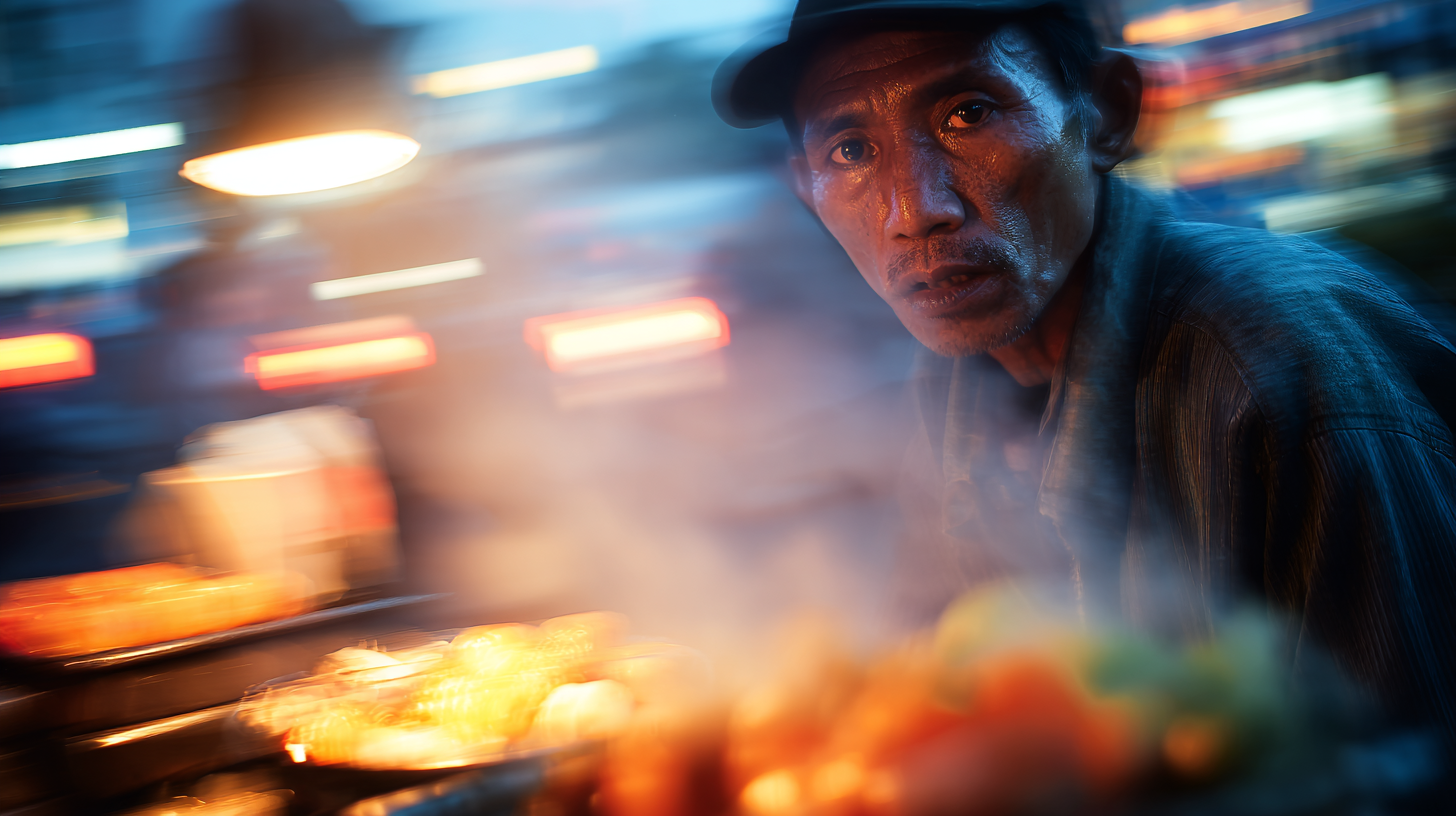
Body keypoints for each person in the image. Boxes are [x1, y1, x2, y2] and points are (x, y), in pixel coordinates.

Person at [714, 0, 1456, 734]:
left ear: (1105, 112)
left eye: (967, 114)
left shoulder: (1274, 363)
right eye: (850, 151)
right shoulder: (952, 383)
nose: (916, 210)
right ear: (805, 188)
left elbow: (1399, 770)